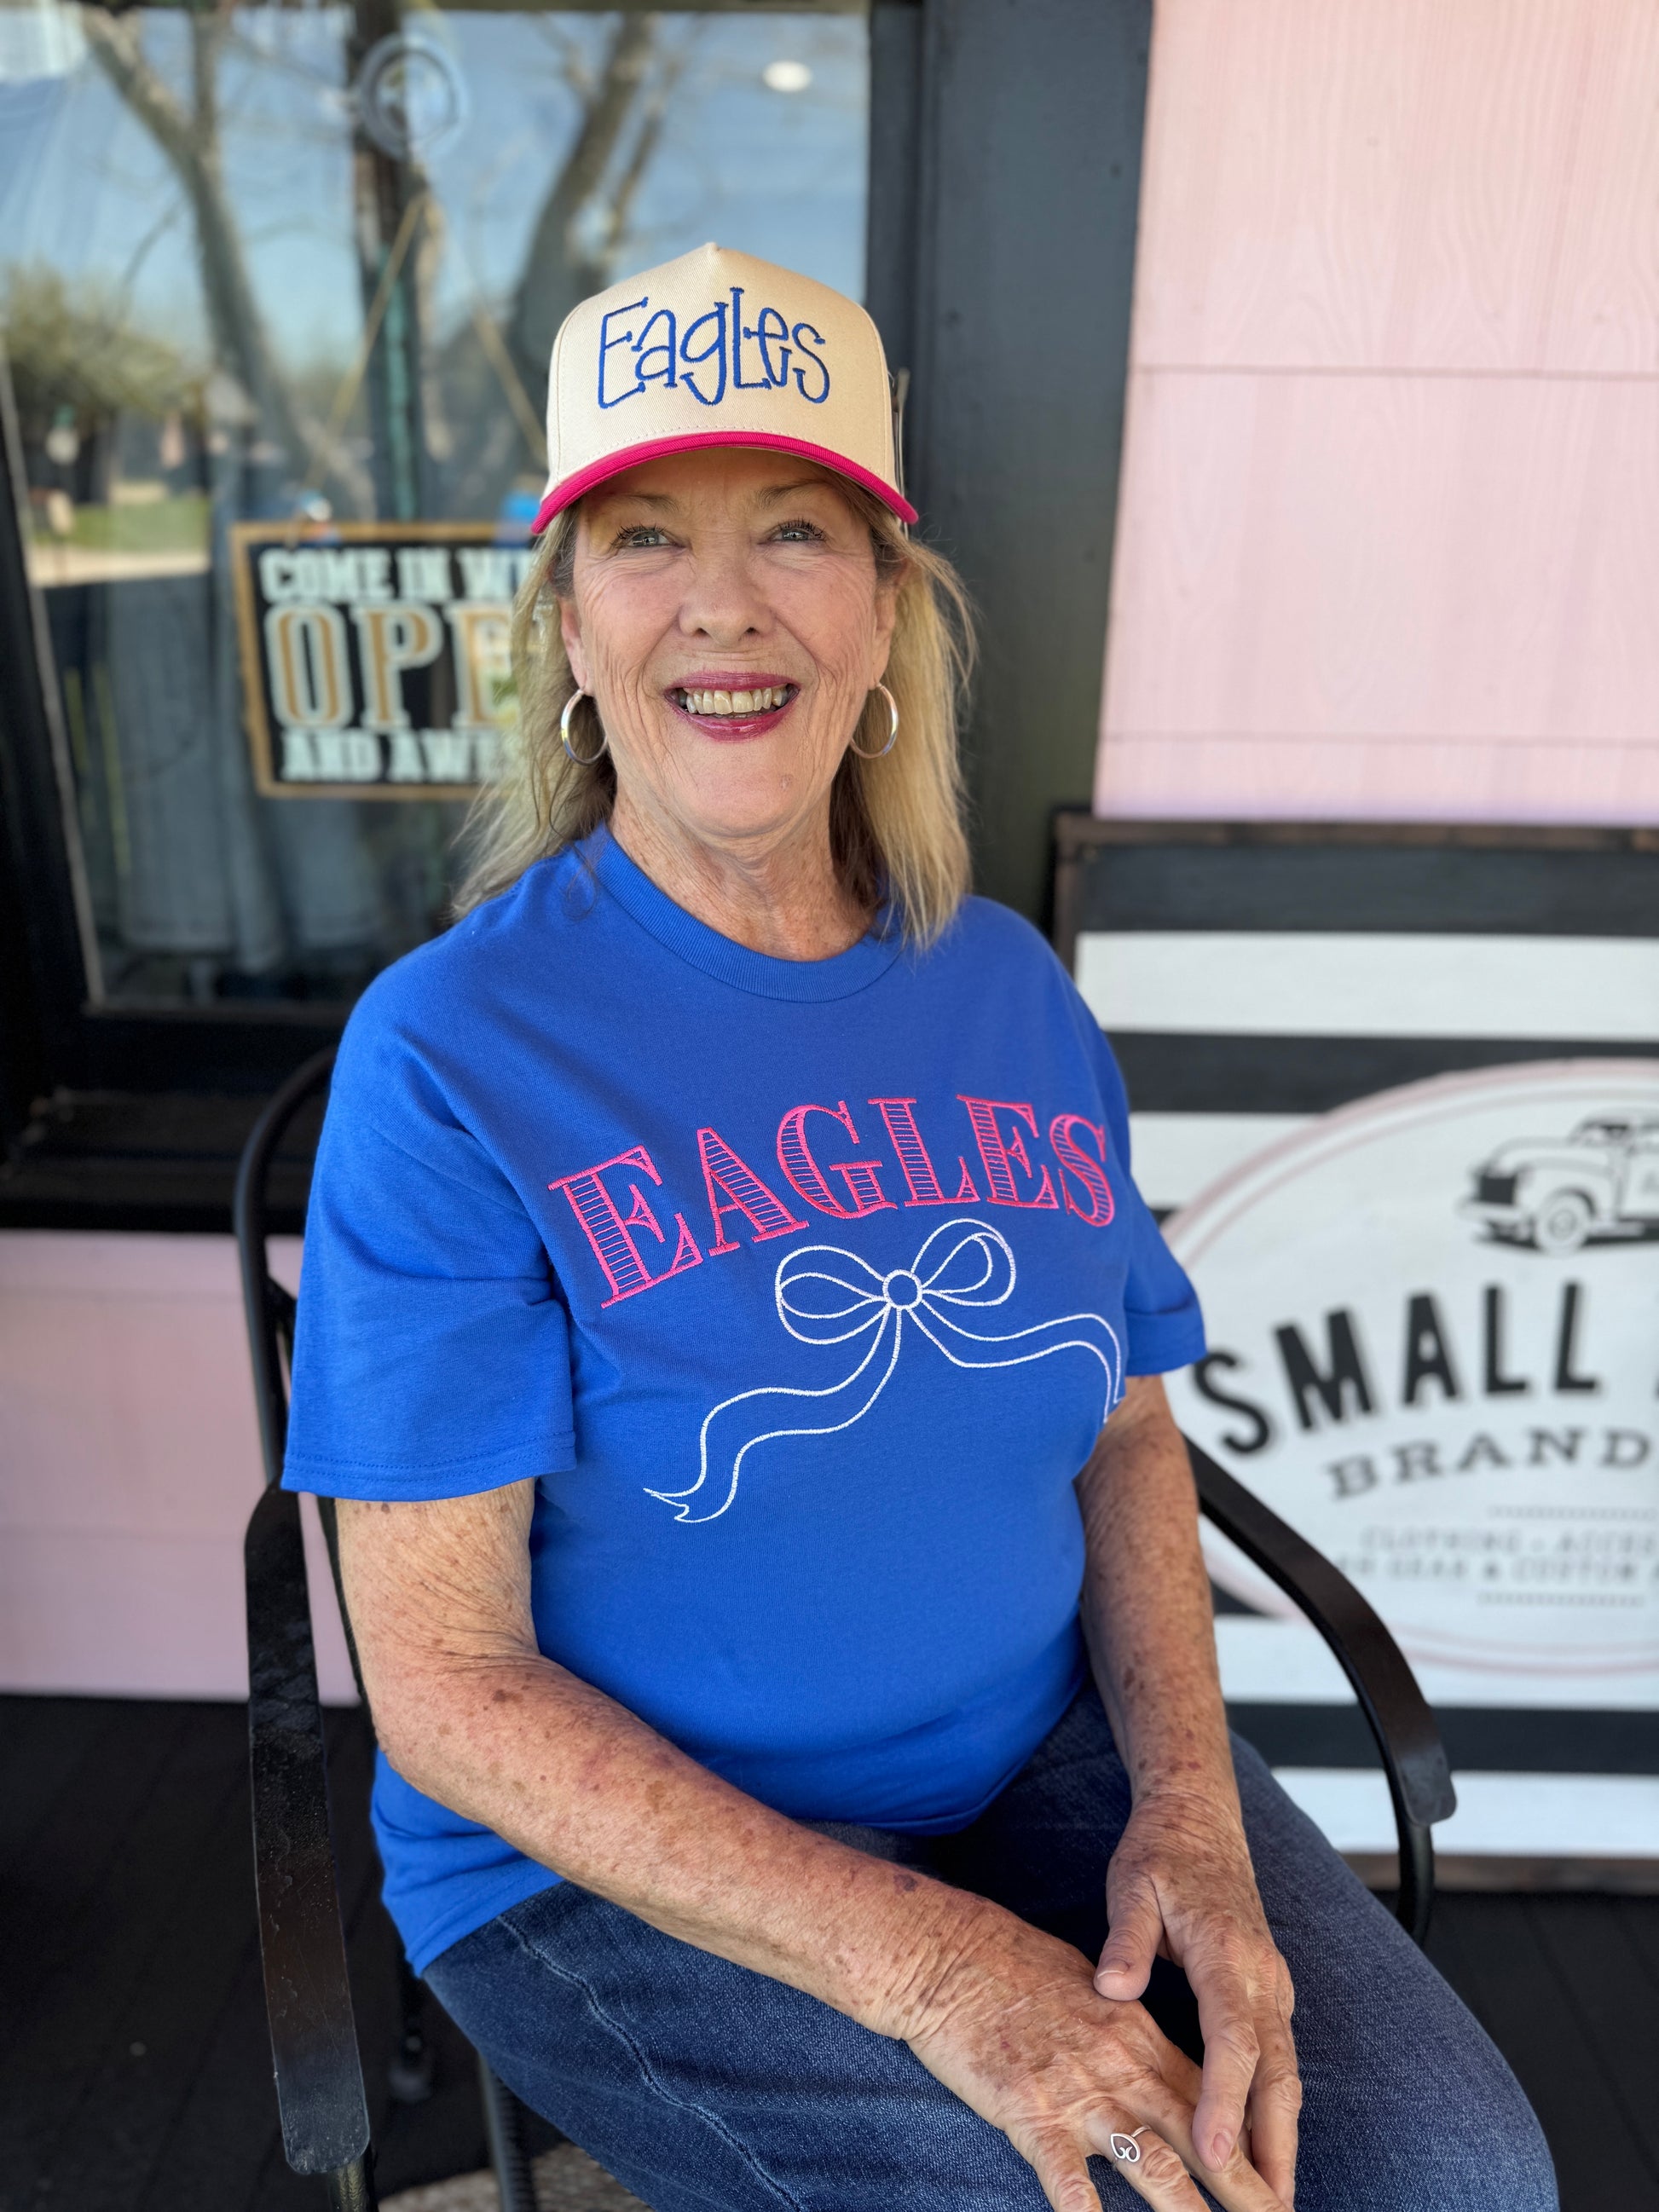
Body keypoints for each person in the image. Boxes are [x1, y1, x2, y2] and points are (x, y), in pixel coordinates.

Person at [285, 245, 1556, 2212]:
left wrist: (1190, 1816)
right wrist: (940, 1969)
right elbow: (447, 1682)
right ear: (570, 625)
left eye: (794, 528)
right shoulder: (452, 1051)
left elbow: (1126, 1424)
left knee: (1458, 2173)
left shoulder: (1007, 993)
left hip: (1025, 1762)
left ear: (881, 616)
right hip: (609, 1878)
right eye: (642, 539)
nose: (722, 602)